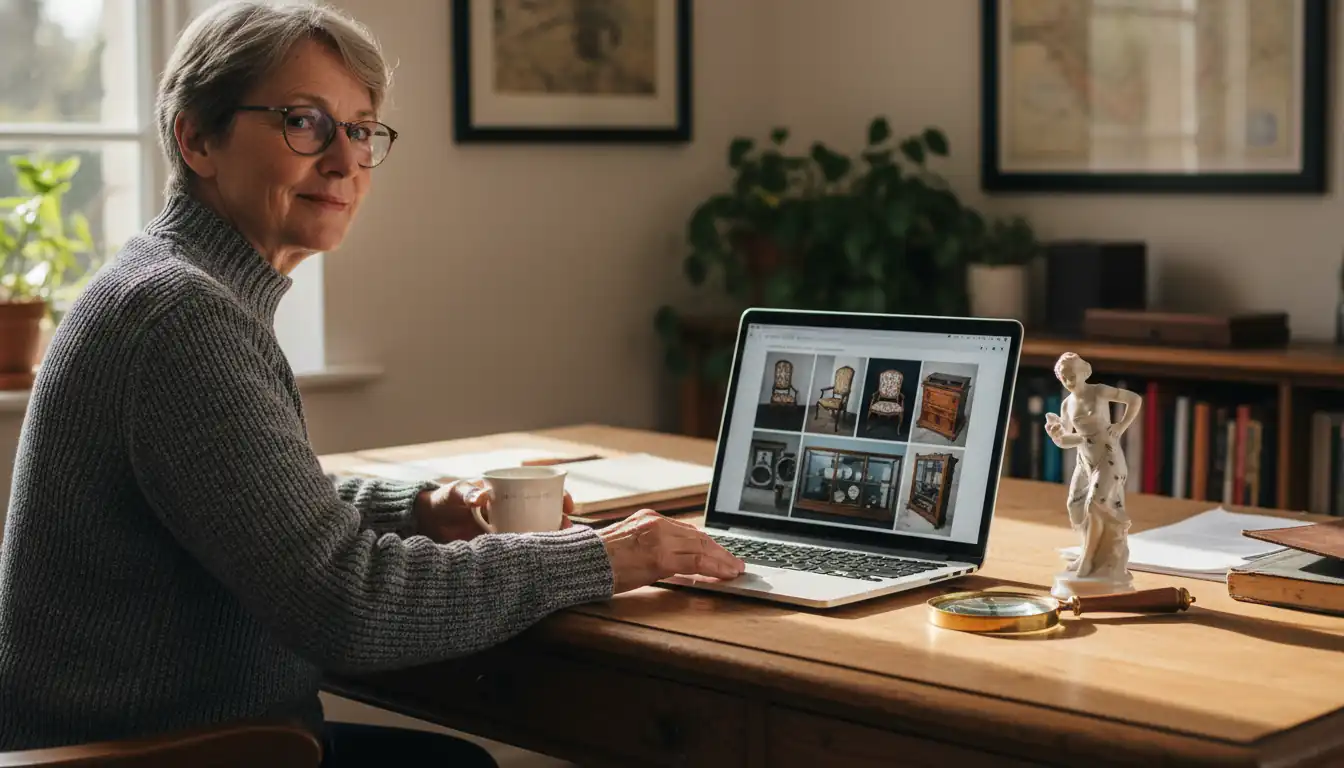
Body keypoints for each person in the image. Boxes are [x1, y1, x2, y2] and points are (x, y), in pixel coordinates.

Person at [0, 2, 745, 766]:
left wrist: (420, 508)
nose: (345, 161)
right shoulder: (182, 317)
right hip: (170, 754)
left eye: (359, 130)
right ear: (197, 138)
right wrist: (605, 557)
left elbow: (257, 507)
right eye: (305, 122)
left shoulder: (176, 287)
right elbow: (345, 604)